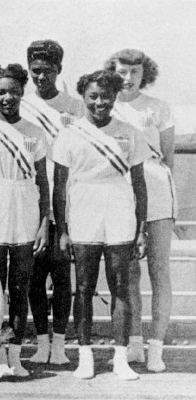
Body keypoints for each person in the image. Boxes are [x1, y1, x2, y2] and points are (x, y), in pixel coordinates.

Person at [51, 70, 149, 380]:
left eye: (106, 96)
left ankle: (121, 358)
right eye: (93, 96)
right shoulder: (69, 133)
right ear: (84, 97)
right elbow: (58, 186)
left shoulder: (130, 132)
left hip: (119, 208)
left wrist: (141, 227)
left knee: (120, 286)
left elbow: (140, 184)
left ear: (115, 96)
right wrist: (63, 229)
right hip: (83, 208)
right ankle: (85, 356)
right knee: (83, 288)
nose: (100, 102)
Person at [0, 63, 50, 377]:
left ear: (22, 93)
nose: (7, 97)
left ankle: (14, 355)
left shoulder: (34, 131)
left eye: (14, 91)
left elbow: (43, 181)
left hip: (26, 211)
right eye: (1, 91)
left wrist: (44, 222)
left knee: (20, 287)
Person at [106, 49, 176, 372]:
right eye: (122, 71)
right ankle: (133, 344)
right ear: (113, 71)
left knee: (159, 270)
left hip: (157, 189)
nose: (127, 78)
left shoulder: (158, 107)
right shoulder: (105, 104)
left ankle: (157, 348)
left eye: (134, 72)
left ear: (143, 73)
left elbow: (169, 157)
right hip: (123, 191)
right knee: (127, 273)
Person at [21, 40, 85, 365]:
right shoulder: (22, 105)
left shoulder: (76, 107)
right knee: (34, 275)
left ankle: (59, 346)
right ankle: (41, 343)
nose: (41, 77)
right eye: (35, 71)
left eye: (47, 71)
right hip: (33, 199)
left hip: (67, 199)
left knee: (62, 275)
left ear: (59, 69)